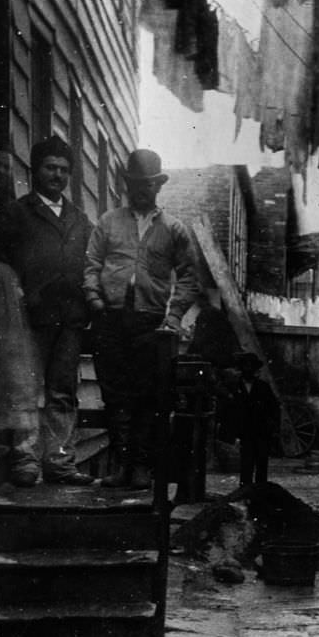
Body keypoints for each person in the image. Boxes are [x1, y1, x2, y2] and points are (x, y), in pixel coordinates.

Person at [84, 149, 199, 489]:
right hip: (111, 319)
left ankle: (142, 469)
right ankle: (121, 466)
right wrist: (95, 299)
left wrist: (174, 316)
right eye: (135, 183)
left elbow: (190, 277)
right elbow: (91, 265)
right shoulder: (108, 222)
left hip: (150, 324)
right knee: (115, 394)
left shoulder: (174, 229)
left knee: (147, 396)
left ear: (158, 186)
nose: (141, 190)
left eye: (148, 184)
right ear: (127, 185)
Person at [0, 136, 94, 486]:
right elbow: (3, 261)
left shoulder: (80, 220)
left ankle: (59, 460)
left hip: (69, 318)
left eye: (64, 170)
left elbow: (90, 266)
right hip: (29, 317)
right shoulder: (18, 213)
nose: (57, 175)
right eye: (50, 168)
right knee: (26, 389)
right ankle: (25, 460)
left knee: (62, 390)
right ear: (36, 170)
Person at [0, 147, 40, 482]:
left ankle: (23, 449)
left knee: (17, 367)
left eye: (7, 168)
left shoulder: (17, 212)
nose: (1, 174)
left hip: (10, 293)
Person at [217, 353, 280, 489]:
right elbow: (226, 411)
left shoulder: (263, 387)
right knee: (246, 464)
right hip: (244, 433)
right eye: (246, 366)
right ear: (241, 368)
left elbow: (274, 409)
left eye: (251, 366)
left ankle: (261, 494)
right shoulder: (234, 388)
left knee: (262, 465)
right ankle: (245, 493)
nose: (248, 369)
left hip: (262, 432)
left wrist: (273, 429)